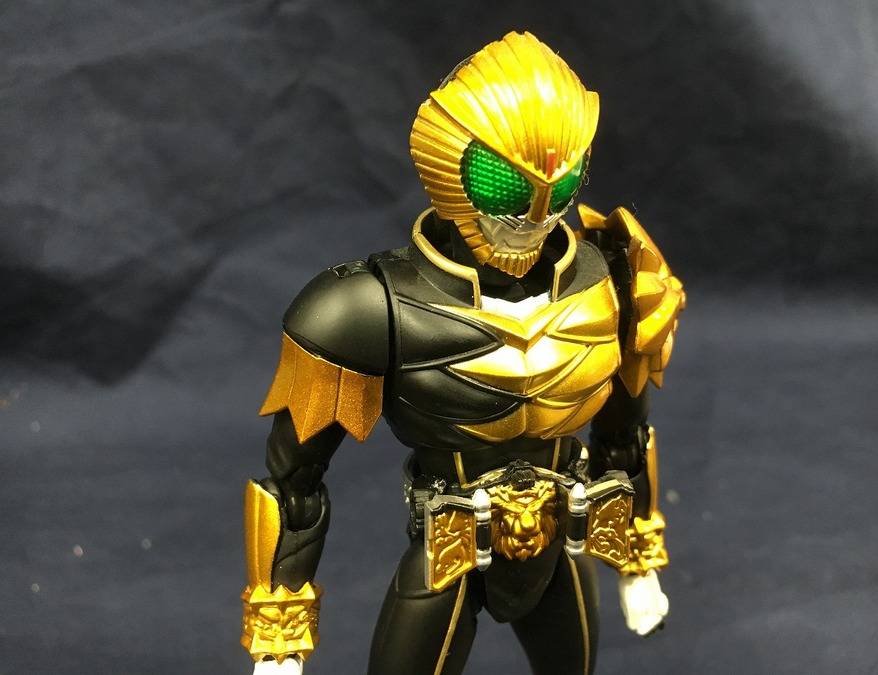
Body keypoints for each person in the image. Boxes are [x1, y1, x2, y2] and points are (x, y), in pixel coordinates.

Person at [240, 31, 685, 675]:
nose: (534, 218)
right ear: (451, 167)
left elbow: (624, 436)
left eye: (559, 189)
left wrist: (639, 560)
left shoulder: (614, 278)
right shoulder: (365, 310)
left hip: (560, 539)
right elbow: (295, 483)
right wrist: (279, 632)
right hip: (447, 549)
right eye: (505, 186)